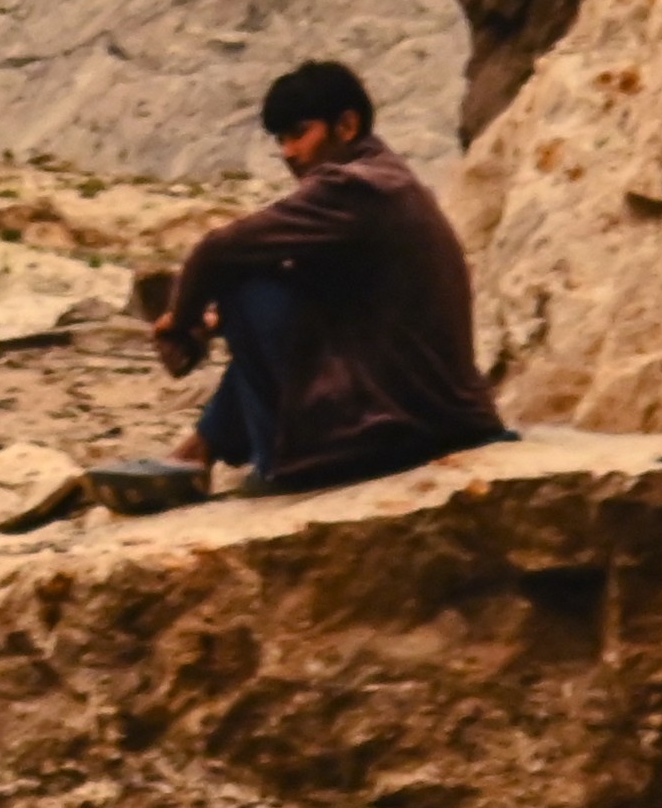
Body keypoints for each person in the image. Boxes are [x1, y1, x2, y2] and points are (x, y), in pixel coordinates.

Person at [150, 61, 508, 494]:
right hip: (438, 413)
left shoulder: (355, 187)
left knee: (241, 284)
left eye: (300, 134)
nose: (288, 152)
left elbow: (216, 250)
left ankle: (280, 464)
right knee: (259, 286)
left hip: (410, 424)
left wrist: (180, 321)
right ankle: (200, 449)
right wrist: (212, 325)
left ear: (347, 125)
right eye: (281, 140)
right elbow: (315, 286)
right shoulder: (386, 178)